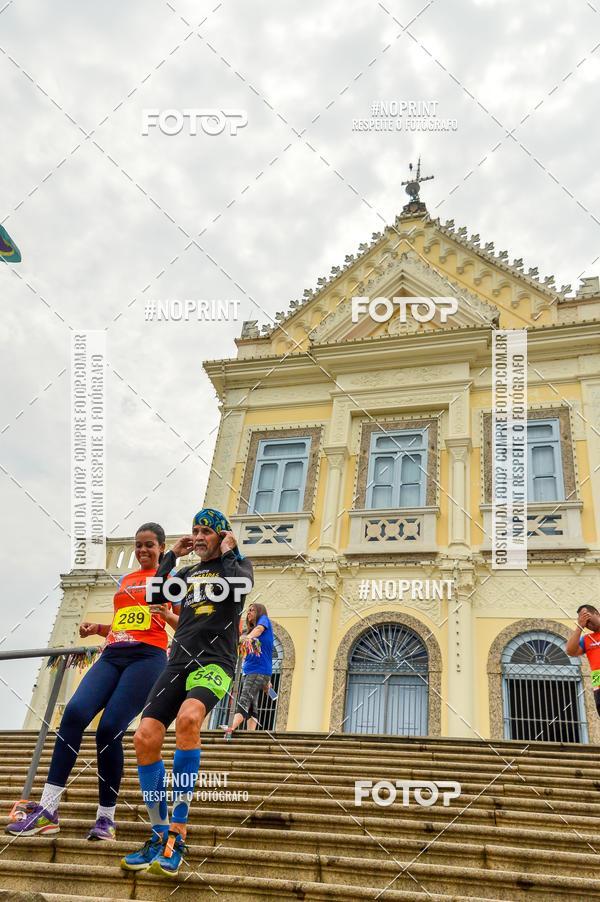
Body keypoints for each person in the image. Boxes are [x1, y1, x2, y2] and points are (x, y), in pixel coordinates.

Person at [7, 523, 177, 841]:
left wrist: (166, 616)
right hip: (113, 654)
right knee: (73, 713)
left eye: (149, 545)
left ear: (162, 549)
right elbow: (125, 623)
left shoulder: (169, 579)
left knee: (109, 728)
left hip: (148, 658)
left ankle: (105, 819)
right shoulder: (127, 579)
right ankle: (48, 811)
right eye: (138, 545)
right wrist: (98, 628)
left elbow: (185, 623)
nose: (142, 551)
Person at [121, 507, 253, 878]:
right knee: (145, 736)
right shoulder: (188, 573)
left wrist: (228, 550)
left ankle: (178, 832)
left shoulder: (238, 565)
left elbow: (236, 589)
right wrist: (171, 556)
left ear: (222, 535)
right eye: (194, 530)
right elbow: (155, 595)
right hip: (177, 661)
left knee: (189, 718)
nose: (197, 536)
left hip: (215, 661)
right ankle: (159, 832)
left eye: (205, 531)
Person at [225, 603, 273, 738]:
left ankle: (231, 727)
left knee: (244, 699)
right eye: (248, 610)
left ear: (259, 612)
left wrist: (247, 637)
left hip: (258, 671)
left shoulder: (263, 621)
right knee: (252, 704)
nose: (249, 613)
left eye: (252, 610)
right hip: (252, 672)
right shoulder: (247, 632)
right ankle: (250, 734)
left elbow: (258, 629)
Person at [565, 604, 600, 716]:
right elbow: (570, 651)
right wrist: (580, 627)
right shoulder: (587, 639)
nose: (588, 623)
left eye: (587, 617)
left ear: (596, 613)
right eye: (585, 621)